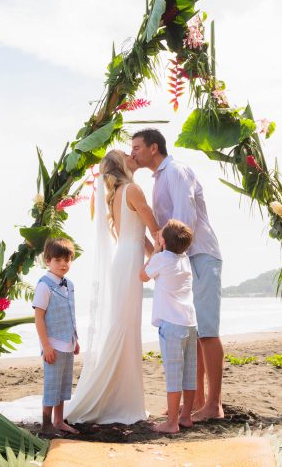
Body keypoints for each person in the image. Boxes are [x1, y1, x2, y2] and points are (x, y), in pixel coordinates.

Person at [131, 129, 225, 421]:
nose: (133, 153)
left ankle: (213, 404)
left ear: (153, 147)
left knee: (206, 330)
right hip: (182, 258)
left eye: (136, 147)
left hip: (198, 255)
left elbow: (185, 218)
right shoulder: (158, 178)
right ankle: (195, 401)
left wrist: (167, 259)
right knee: (192, 332)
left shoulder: (175, 171)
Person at [63, 149, 161, 424]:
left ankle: (124, 397)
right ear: (121, 165)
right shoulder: (133, 190)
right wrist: (164, 251)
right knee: (124, 327)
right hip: (129, 261)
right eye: (126, 155)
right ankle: (119, 400)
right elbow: (152, 229)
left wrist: (155, 257)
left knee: (126, 327)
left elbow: (139, 236)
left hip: (125, 259)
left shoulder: (118, 194)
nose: (132, 156)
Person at [140, 219, 198, 434]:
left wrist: (155, 250)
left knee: (174, 374)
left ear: (163, 240)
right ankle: (186, 417)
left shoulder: (162, 258)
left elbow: (142, 276)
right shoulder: (185, 260)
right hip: (190, 322)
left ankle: (172, 422)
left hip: (171, 324)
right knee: (189, 373)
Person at [33, 238, 81, 436]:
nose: (63, 264)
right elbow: (39, 319)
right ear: (47, 261)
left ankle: (59, 421)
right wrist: (46, 346)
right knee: (52, 386)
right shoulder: (44, 286)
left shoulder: (69, 284)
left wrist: (75, 340)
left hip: (67, 343)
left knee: (63, 386)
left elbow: (70, 313)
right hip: (53, 345)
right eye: (58, 260)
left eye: (67, 260)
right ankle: (46, 424)